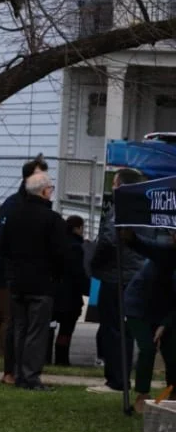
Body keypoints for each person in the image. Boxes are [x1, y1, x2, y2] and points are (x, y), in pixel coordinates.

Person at [0, 157, 50, 382]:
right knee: (11, 319)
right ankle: (8, 368)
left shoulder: (32, 205)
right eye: (40, 175)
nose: (44, 180)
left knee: (3, 318)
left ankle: (0, 358)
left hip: (15, 271)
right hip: (6, 271)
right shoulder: (16, 204)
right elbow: (2, 241)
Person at [0, 171, 69, 391]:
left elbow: (4, 247)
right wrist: (56, 275)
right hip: (42, 282)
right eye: (50, 189)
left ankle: (19, 372)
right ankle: (31, 376)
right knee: (36, 332)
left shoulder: (14, 215)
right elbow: (60, 253)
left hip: (18, 281)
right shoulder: (52, 220)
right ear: (44, 191)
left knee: (20, 328)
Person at [90, 168, 147, 392]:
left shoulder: (119, 209)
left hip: (116, 274)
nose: (112, 188)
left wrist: (95, 264)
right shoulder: (144, 208)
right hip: (137, 274)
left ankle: (116, 380)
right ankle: (124, 376)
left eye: (114, 183)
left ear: (120, 186)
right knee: (129, 330)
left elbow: (108, 241)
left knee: (112, 328)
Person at [119, 229, 176, 413]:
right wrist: (131, 237)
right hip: (139, 307)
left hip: (165, 311)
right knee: (148, 348)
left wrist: (165, 324)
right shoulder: (166, 251)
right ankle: (142, 395)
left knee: (172, 351)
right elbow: (147, 246)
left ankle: (172, 393)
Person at [53, 215, 91, 366]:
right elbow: (78, 273)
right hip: (70, 294)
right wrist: (88, 289)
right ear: (78, 228)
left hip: (55, 291)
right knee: (66, 330)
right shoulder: (76, 247)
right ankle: (62, 358)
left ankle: (48, 357)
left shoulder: (58, 243)